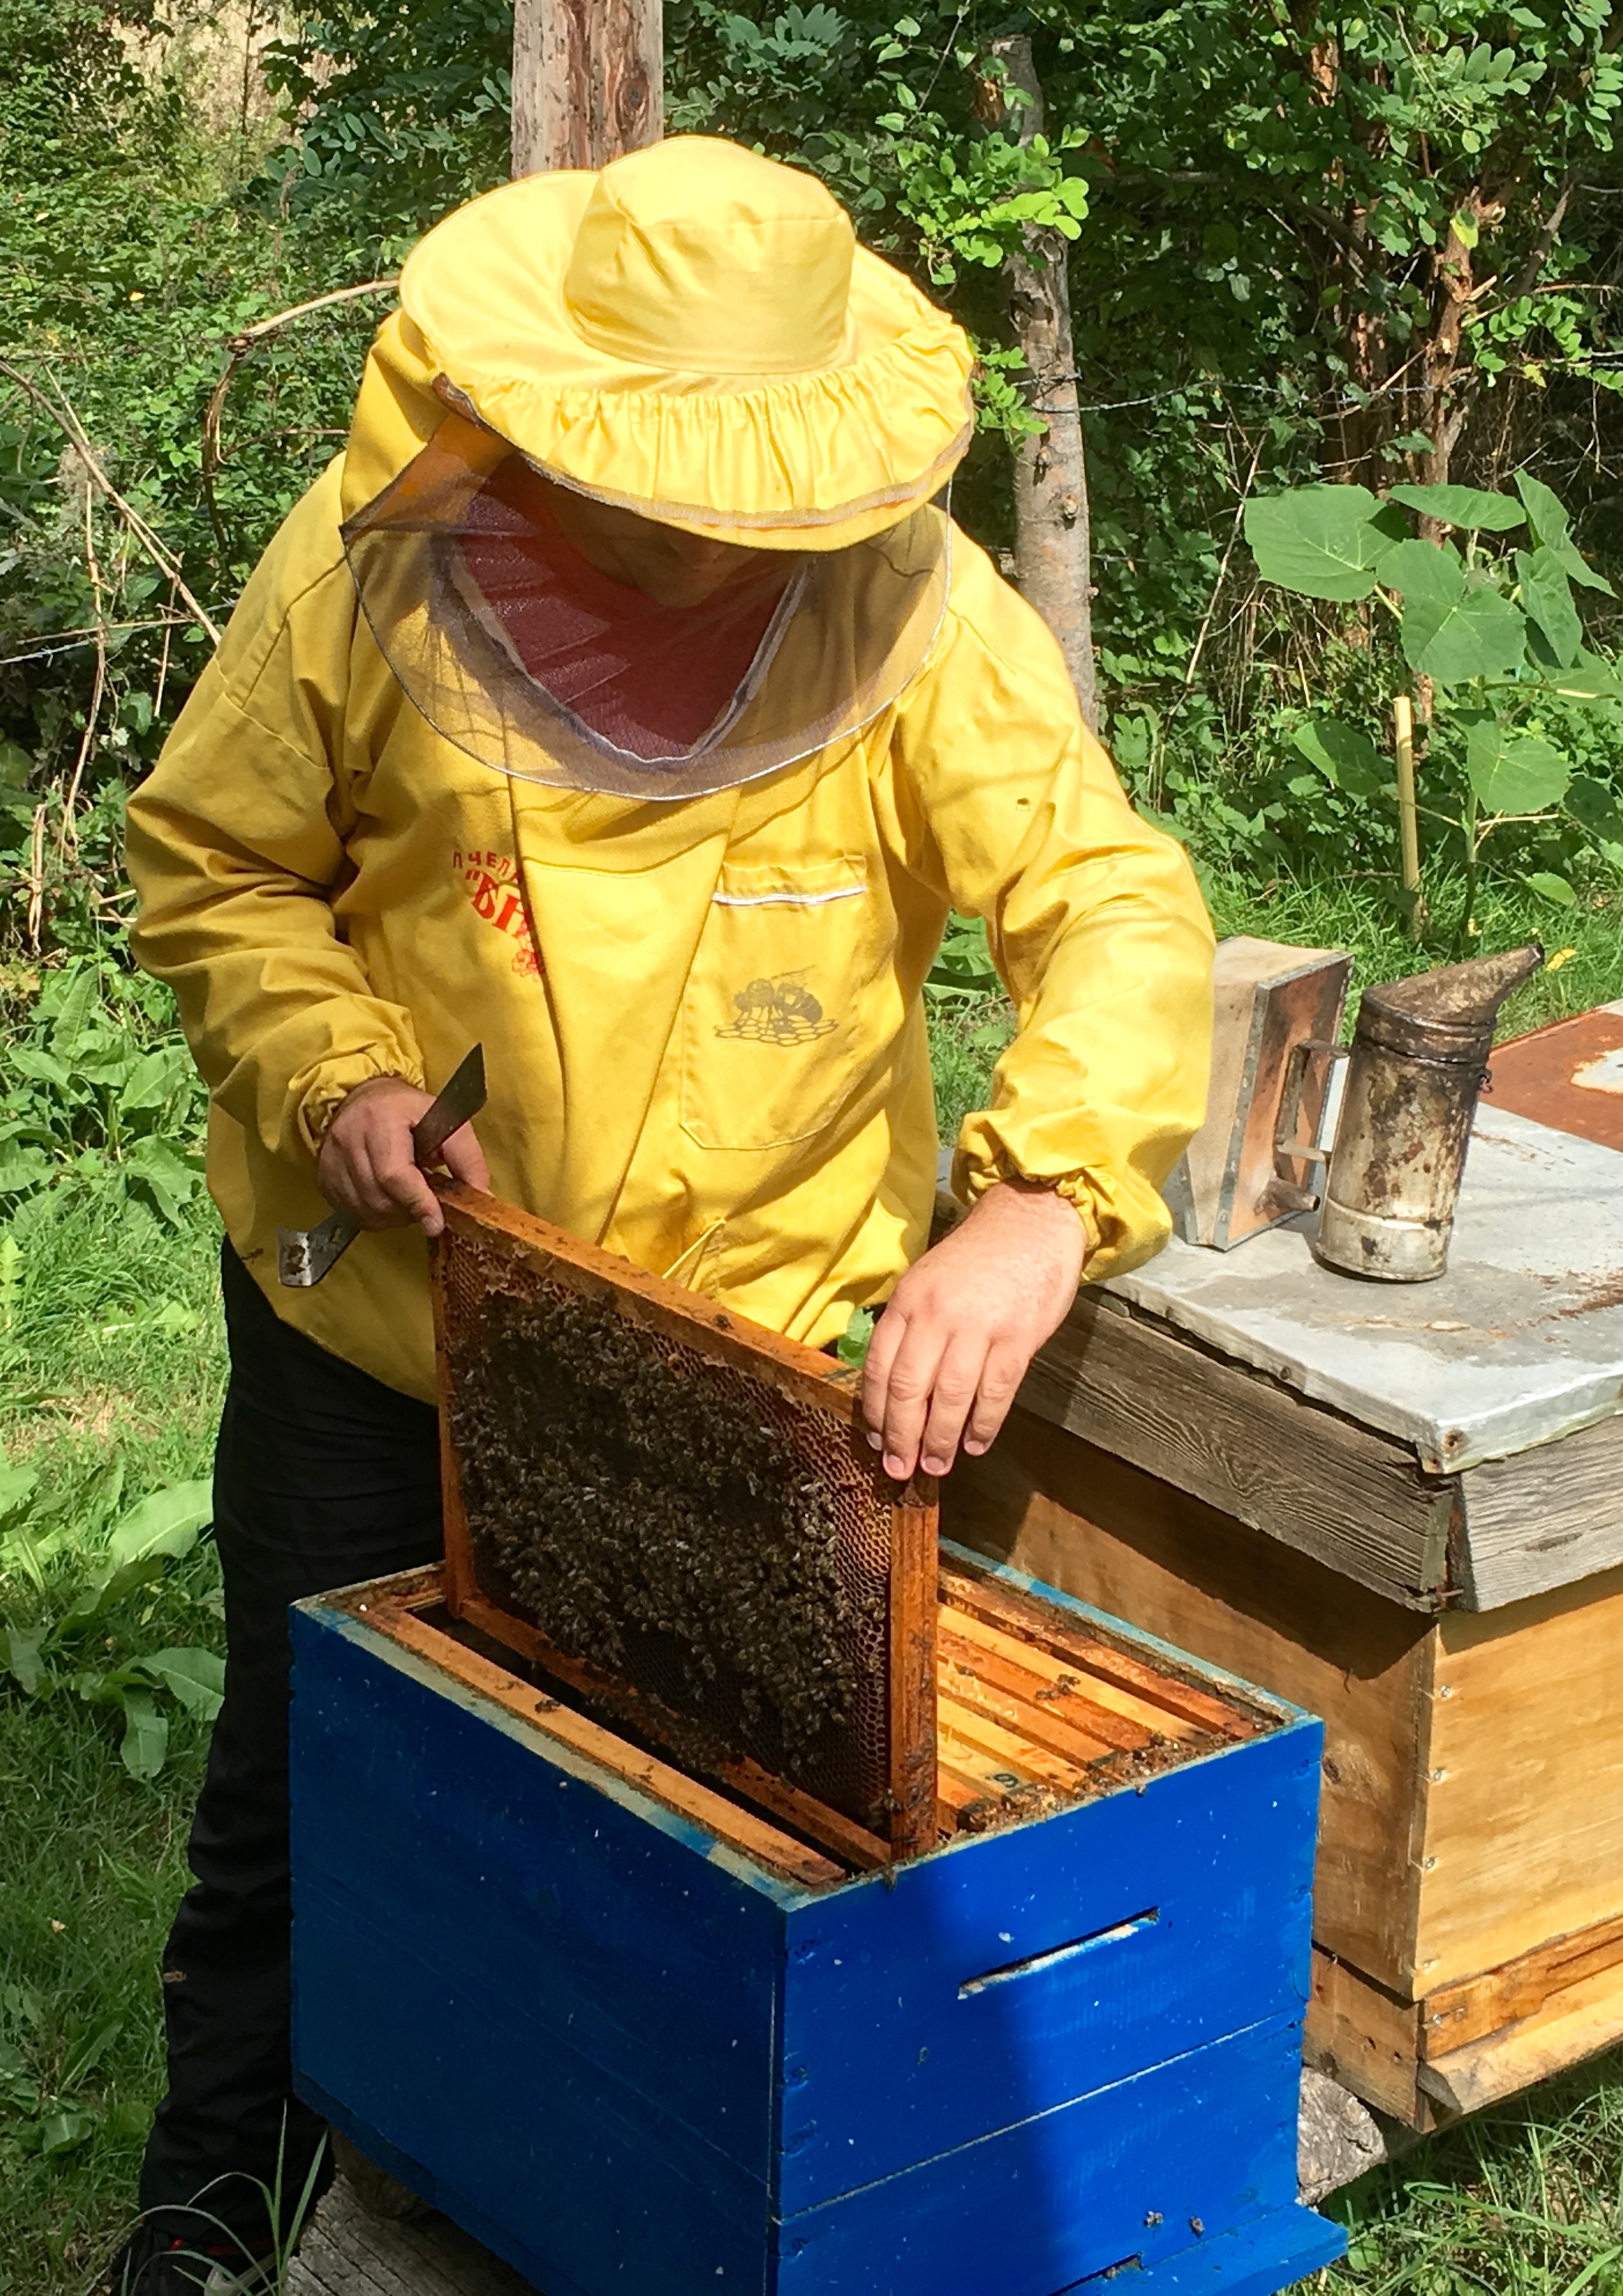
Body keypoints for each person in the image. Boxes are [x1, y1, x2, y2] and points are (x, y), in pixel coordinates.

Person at [112, 133, 1214, 2293]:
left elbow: (1108, 900)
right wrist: (339, 1079)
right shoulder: (369, 557)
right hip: (395, 1322)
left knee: (682, 1810)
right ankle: (209, 2203)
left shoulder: (921, 609)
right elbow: (221, 864)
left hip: (740, 1342)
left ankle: (564, 2182)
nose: (694, 538)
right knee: (313, 1781)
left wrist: (1046, 1200)